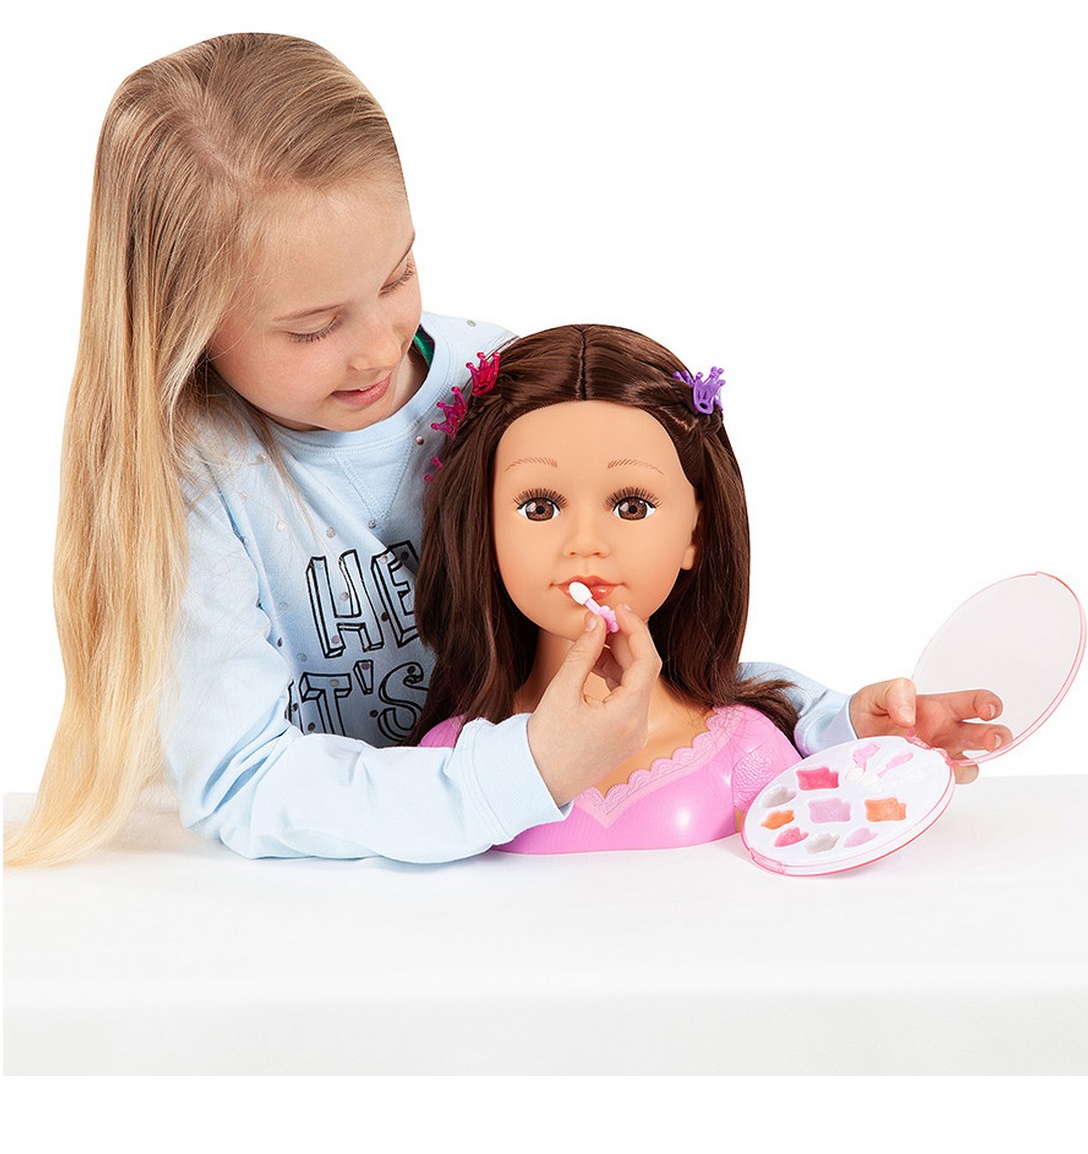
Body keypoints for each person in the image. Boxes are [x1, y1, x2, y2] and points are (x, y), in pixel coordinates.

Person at [3, 33, 996, 868]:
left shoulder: (487, 383)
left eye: (397, 276)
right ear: (183, 325)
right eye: (313, 327)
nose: (378, 347)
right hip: (325, 908)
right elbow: (247, 783)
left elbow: (631, 641)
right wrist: (524, 774)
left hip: (522, 876)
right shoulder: (196, 480)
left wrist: (830, 724)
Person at [415, 325, 1011, 851]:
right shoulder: (447, 766)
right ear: (483, 530)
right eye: (539, 507)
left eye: (631, 505)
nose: (586, 543)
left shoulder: (746, 752)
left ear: (695, 533)